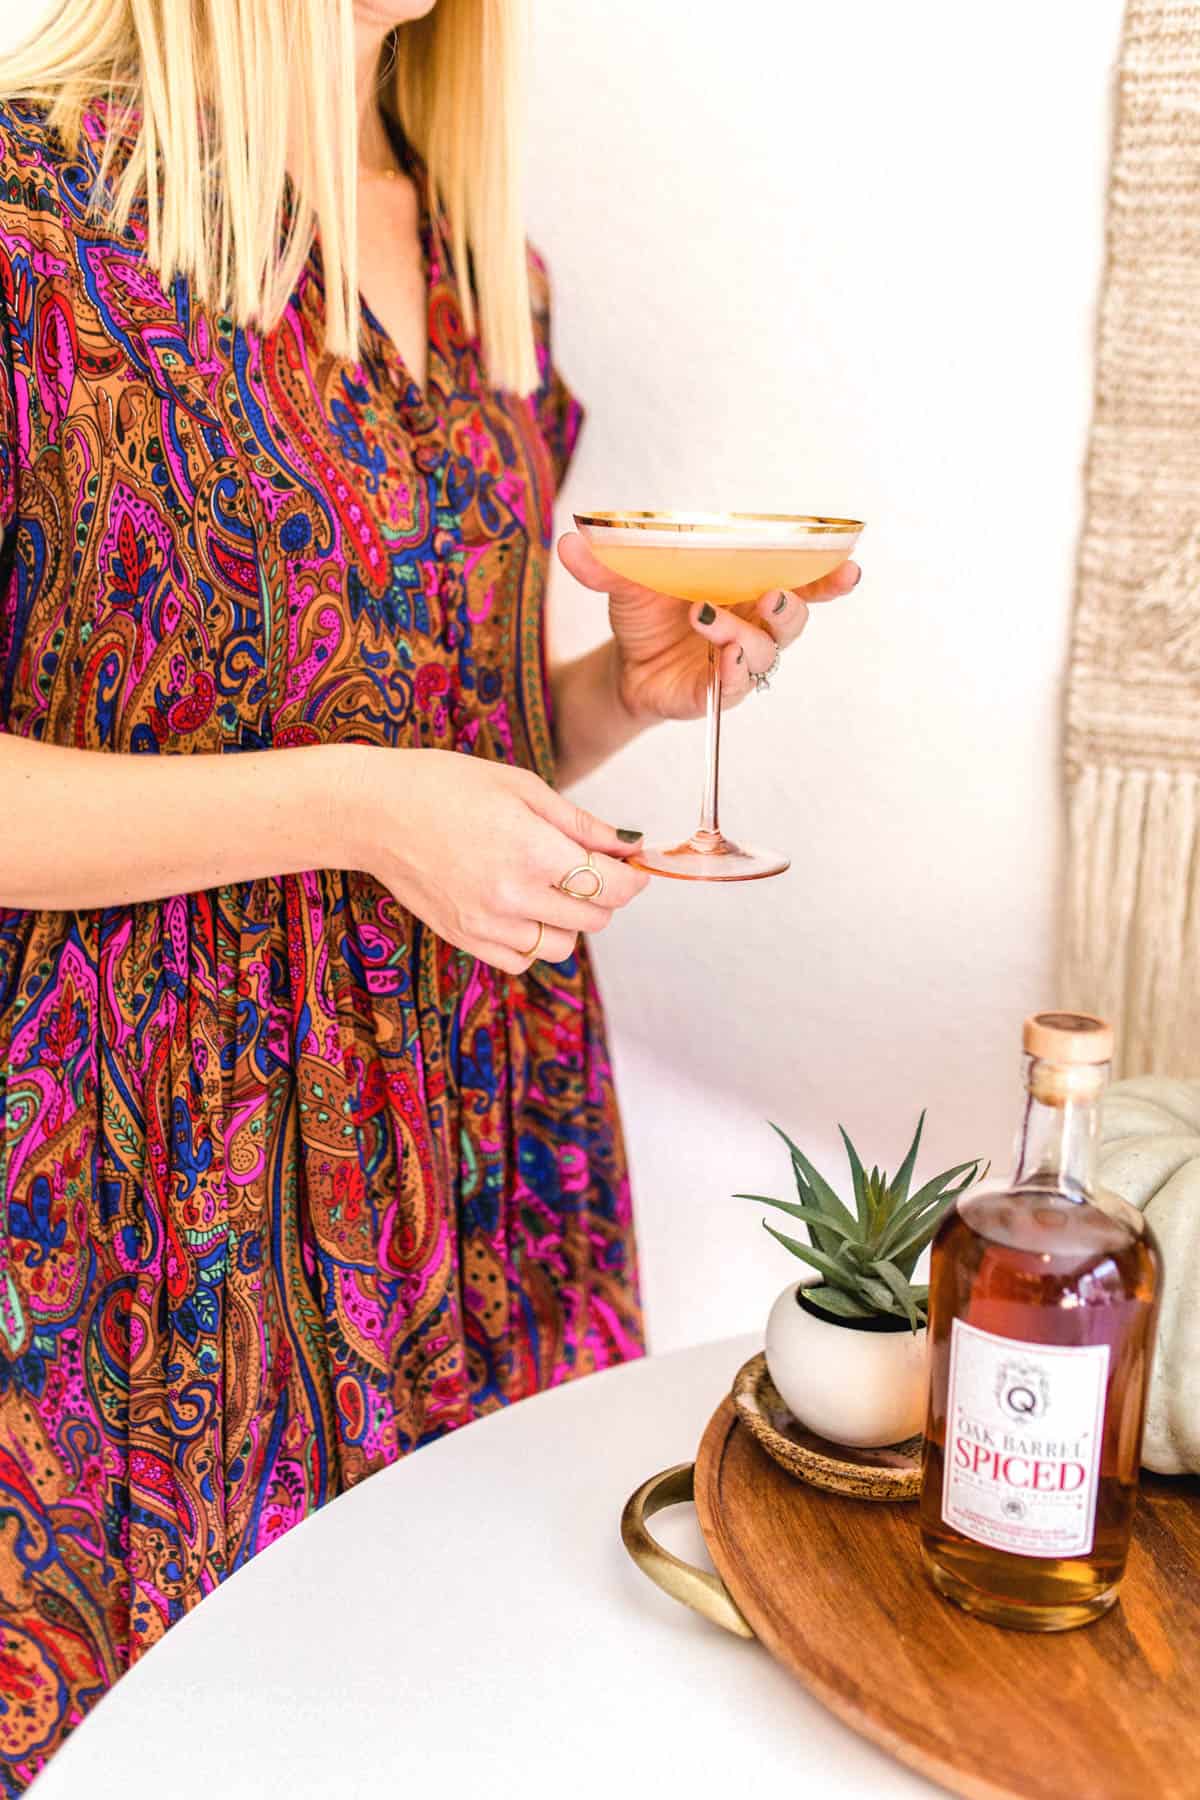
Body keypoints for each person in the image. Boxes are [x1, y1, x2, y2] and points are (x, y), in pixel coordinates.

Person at [0, 0, 859, 1784]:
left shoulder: (483, 264)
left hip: (466, 1134)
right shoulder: (34, 214)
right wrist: (356, 812)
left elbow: (434, 726)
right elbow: (357, 780)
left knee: (450, 1711)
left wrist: (623, 694)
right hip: (138, 1191)